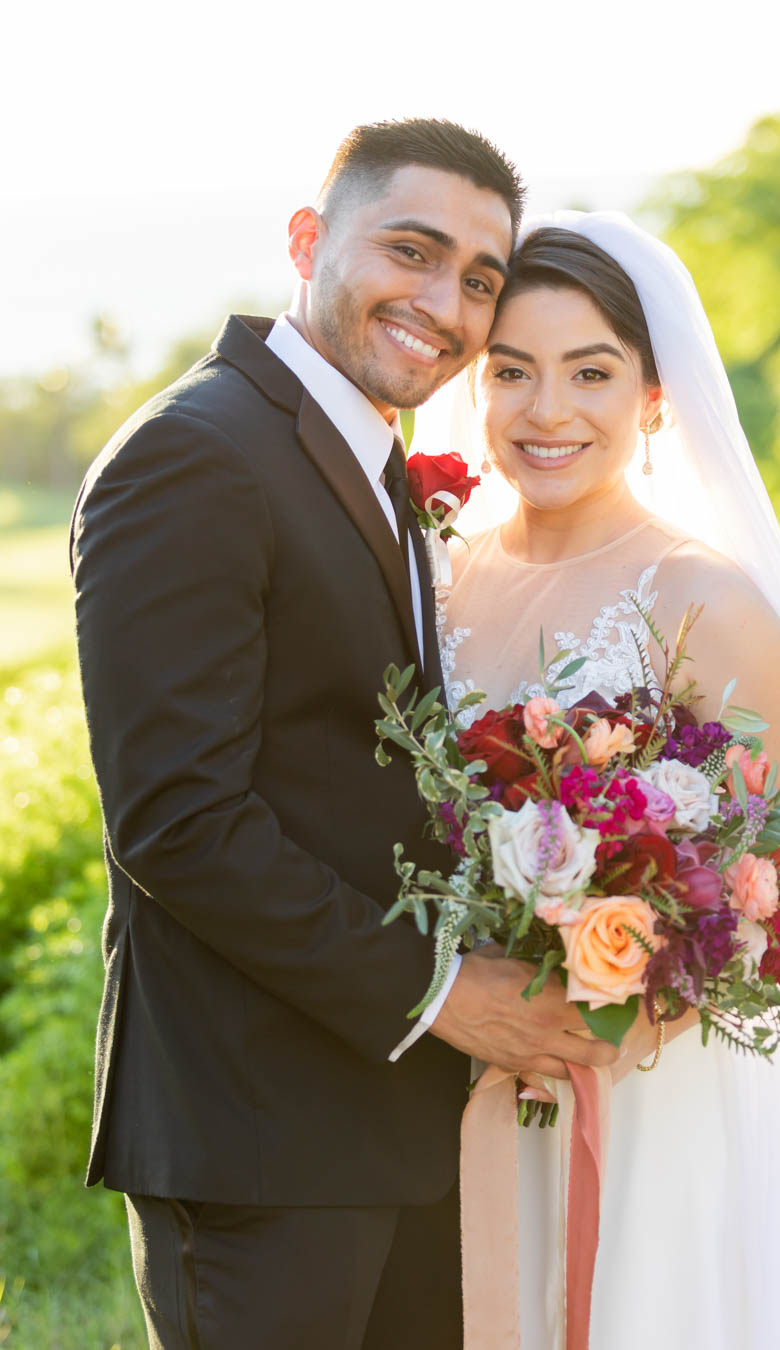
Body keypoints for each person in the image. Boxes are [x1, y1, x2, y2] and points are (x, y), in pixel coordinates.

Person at [69, 123, 620, 1350]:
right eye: (412, 250)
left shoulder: (358, 455)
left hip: (396, 1123)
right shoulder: (195, 455)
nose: (446, 303)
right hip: (262, 1133)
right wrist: (443, 994)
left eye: (480, 278)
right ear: (309, 240)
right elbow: (179, 821)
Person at [420, 214, 780, 1348]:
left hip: (660, 1084)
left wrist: (616, 1012)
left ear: (653, 398)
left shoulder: (700, 596)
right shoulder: (443, 576)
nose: (547, 412)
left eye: (590, 372)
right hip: (483, 1054)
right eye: (513, 372)